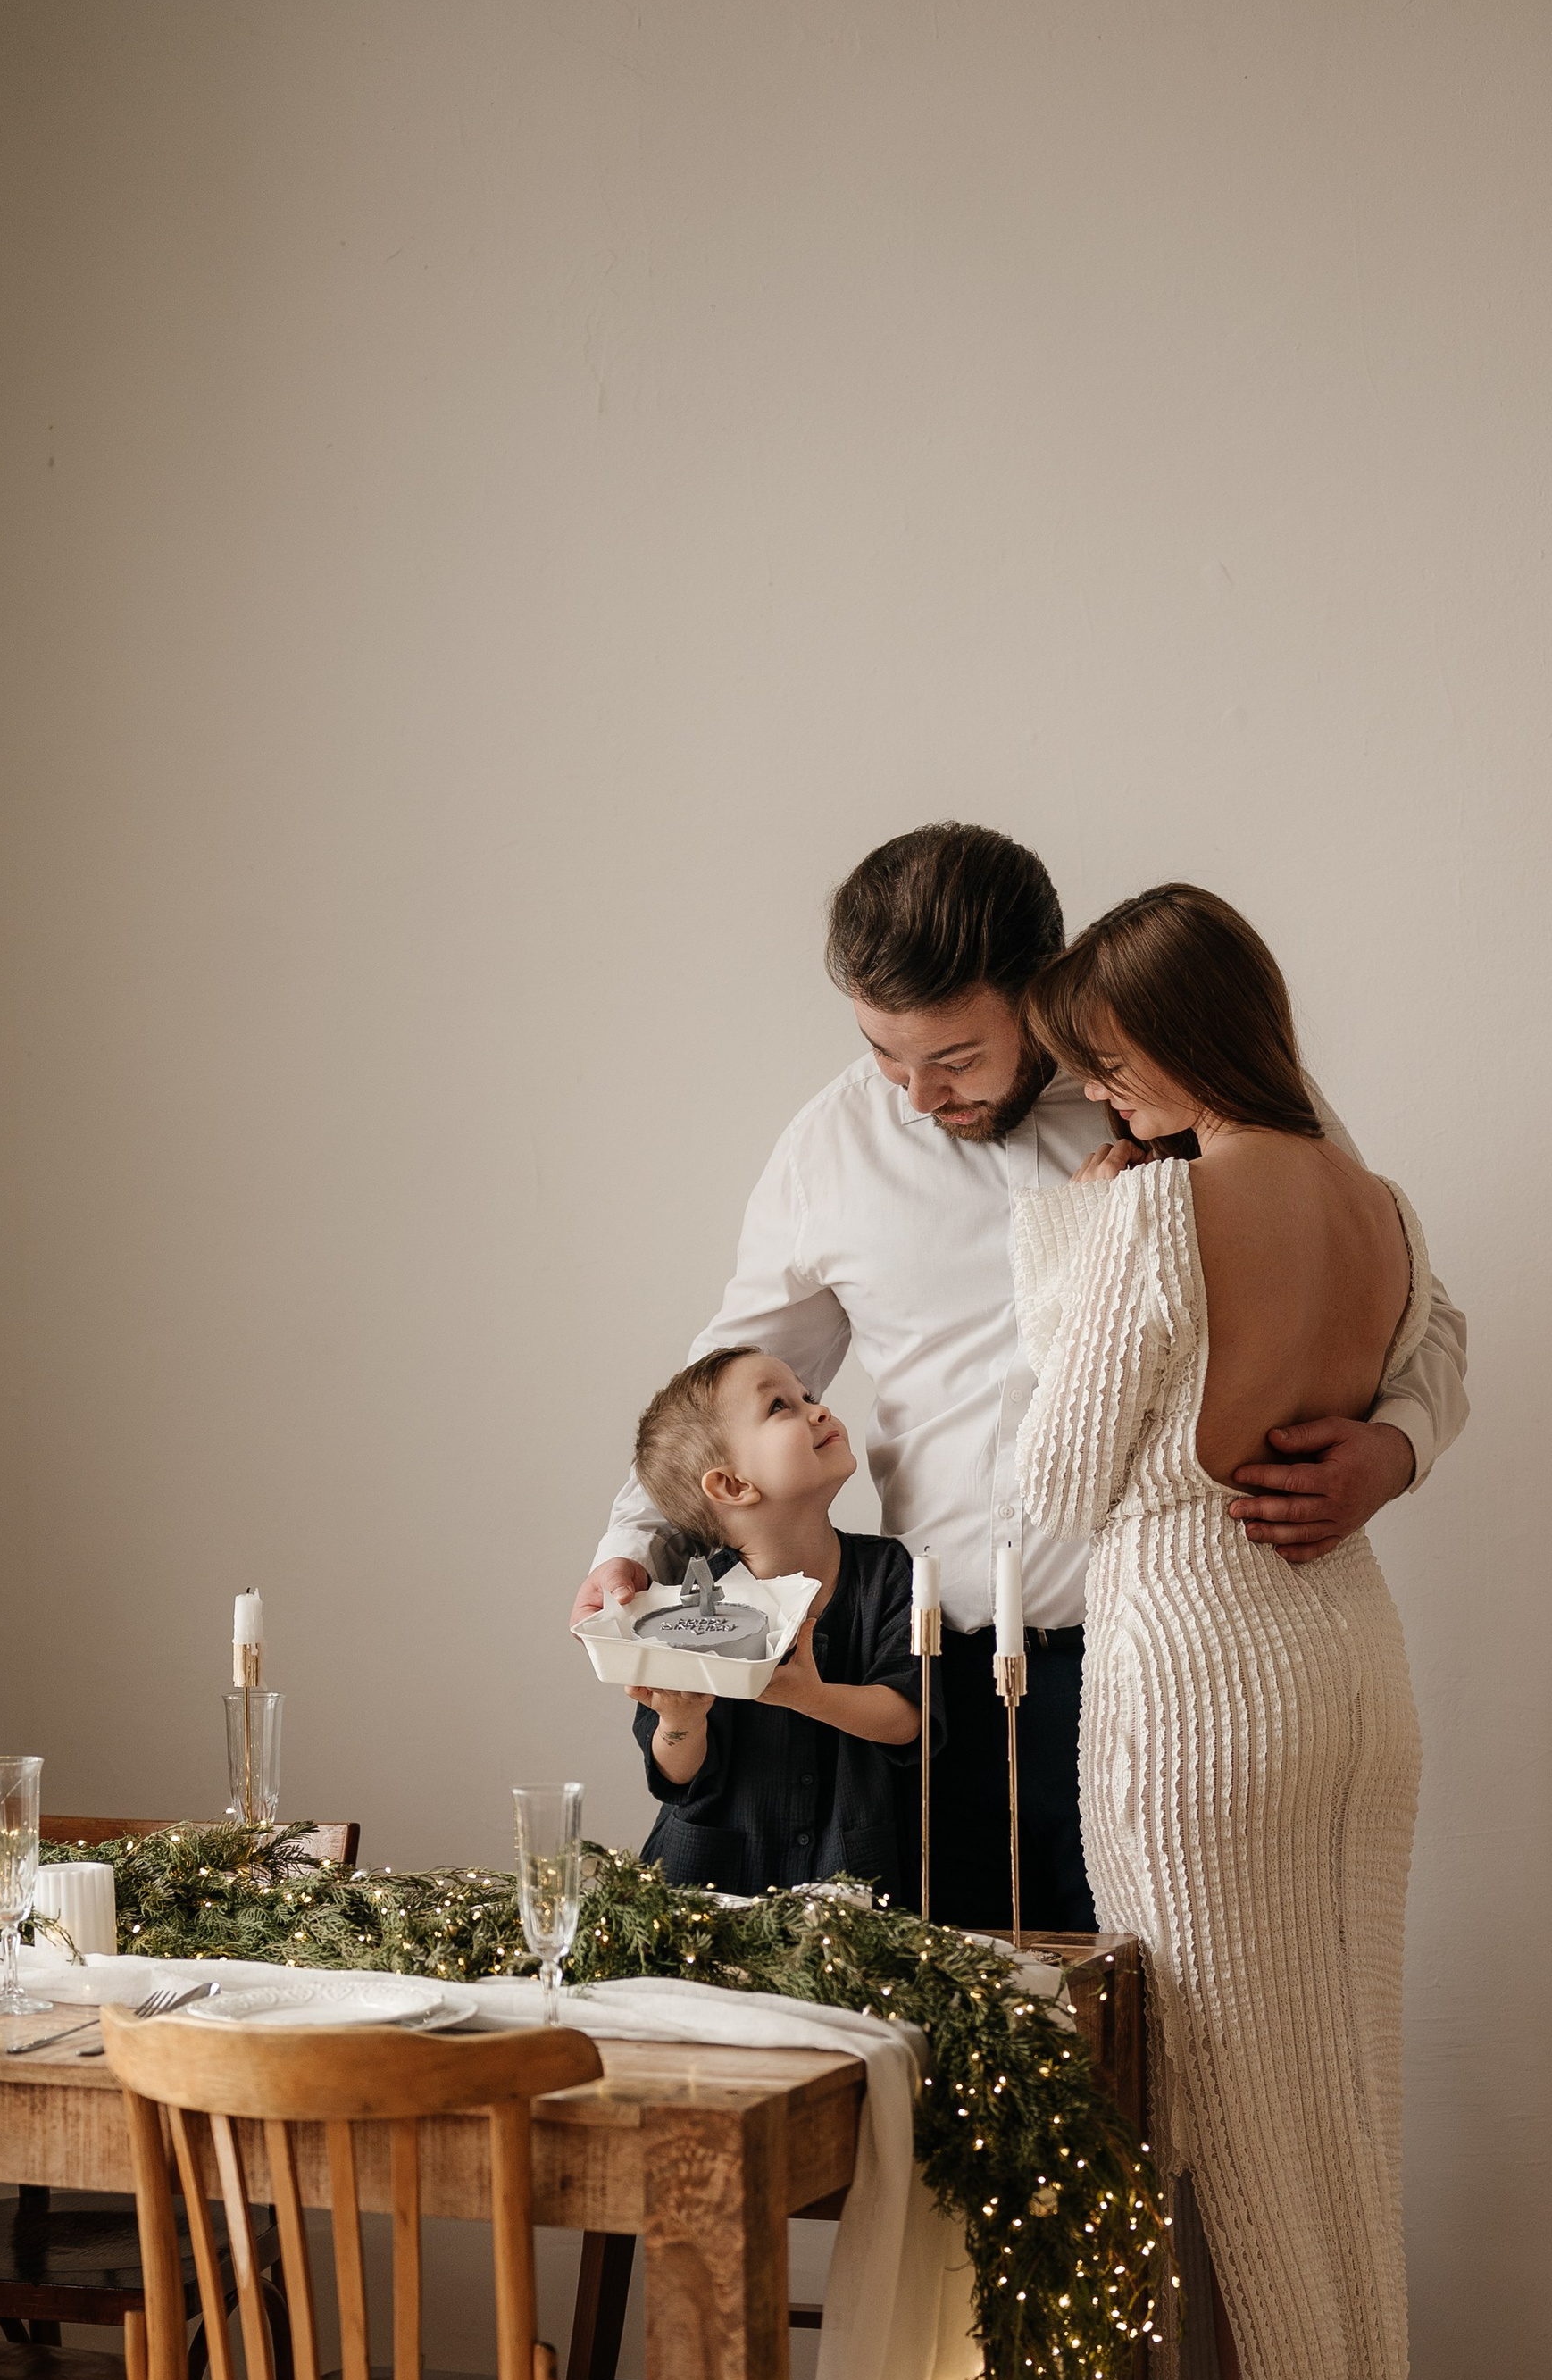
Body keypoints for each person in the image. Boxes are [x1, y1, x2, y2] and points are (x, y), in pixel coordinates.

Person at [575, 821, 1469, 1928]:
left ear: (1041, 989)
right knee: (964, 2051)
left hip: (1171, 1667)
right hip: (925, 1687)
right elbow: (723, 1385)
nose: (913, 1095)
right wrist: (626, 1548)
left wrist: (1397, 1446)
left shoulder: (1186, 1087)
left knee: (1159, 2041)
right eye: (882, 1054)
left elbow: (1400, 1293)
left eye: (952, 1057)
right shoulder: (831, 1145)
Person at [1012, 884, 1442, 2380]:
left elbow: (1049, 1490)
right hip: (1351, 1669)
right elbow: (1408, 1388)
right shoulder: (1371, 1202)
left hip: (1197, 1684)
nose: (1093, 1086)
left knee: (1253, 2186)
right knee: (1342, 2151)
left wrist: (1068, 1266)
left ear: (1160, 1039)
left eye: (1099, 1052)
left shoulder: (1153, 1209)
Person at [621, 1347, 937, 1903]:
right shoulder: (690, 1606)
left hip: (853, 1886)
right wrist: (681, 1719)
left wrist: (806, 1695)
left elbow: (909, 1718)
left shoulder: (889, 1573)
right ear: (732, 1486)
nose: (818, 1410)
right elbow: (674, 1773)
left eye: (809, 1397)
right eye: (780, 1407)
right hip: (707, 1893)